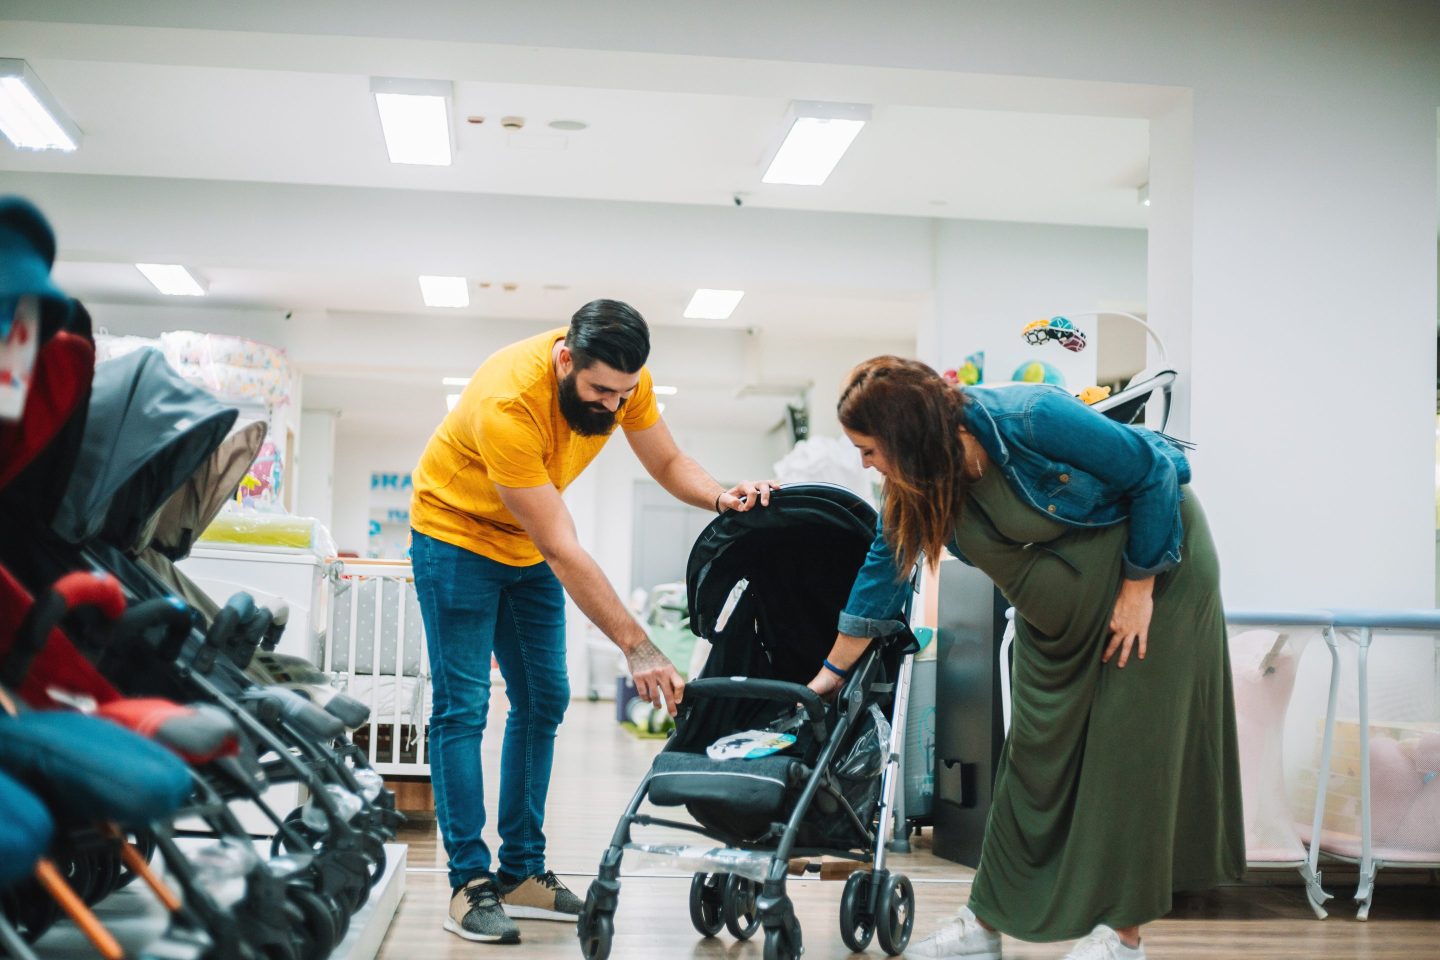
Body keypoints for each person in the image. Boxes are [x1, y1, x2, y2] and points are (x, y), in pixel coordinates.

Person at [807, 357, 1244, 960]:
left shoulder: (1032, 418)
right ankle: (984, 925)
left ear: (908, 435)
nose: (865, 463)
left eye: (869, 449)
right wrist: (829, 676)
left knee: (1126, 751)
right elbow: (882, 571)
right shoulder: (916, 481)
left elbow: (1152, 476)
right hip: (1059, 613)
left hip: (1153, 581)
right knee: (1033, 754)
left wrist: (1140, 588)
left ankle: (1123, 939)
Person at [410, 300, 775, 945]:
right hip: (455, 538)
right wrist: (638, 646)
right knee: (462, 708)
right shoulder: (509, 403)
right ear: (564, 359)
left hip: (525, 549)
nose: (612, 405)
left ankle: (522, 872)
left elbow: (665, 463)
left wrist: (719, 495)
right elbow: (563, 546)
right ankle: (469, 884)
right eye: (601, 391)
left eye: (623, 393)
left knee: (545, 699)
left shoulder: (625, 381)